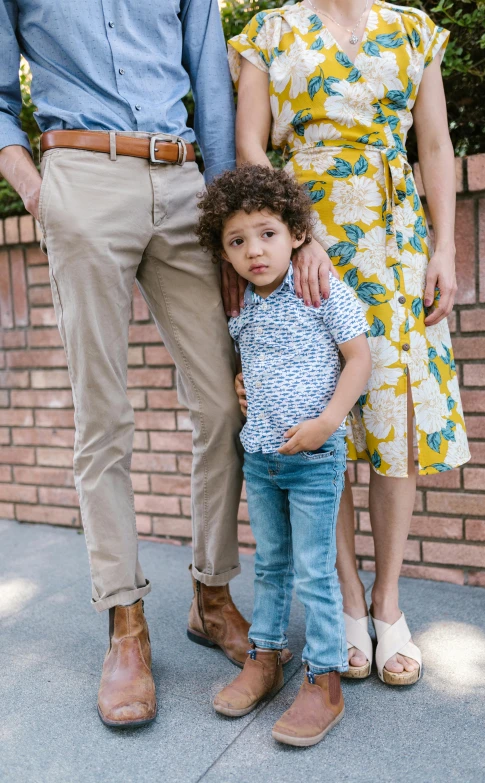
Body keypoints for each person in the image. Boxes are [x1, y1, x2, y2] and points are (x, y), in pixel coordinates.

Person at [0, 0, 252, 728]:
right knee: (103, 416)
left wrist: (223, 203)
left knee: (224, 404)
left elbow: (210, 77)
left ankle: (211, 594)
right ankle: (126, 623)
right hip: (78, 178)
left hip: (181, 184)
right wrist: (37, 190)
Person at [226, 0, 471, 685]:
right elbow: (252, 149)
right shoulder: (268, 33)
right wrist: (304, 237)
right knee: (317, 416)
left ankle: (388, 603)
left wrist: (445, 246)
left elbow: (433, 146)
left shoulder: (413, 29)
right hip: (304, 245)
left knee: (395, 420)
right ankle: (347, 600)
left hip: (394, 242)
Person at [197, 164, 371, 746]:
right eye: (237, 241)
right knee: (271, 565)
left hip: (315, 461)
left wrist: (328, 422)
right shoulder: (240, 304)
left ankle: (324, 680)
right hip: (261, 461)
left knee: (316, 574)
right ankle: (265, 659)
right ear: (224, 253)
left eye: (267, 233)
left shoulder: (320, 288)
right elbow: (257, 364)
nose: (255, 250)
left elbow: (360, 360)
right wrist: (245, 385)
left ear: (296, 232)